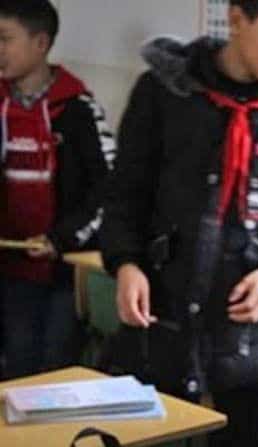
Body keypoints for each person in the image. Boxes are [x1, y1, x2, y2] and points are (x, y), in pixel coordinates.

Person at [100, 0, 258, 445]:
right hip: (161, 311)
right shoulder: (165, 92)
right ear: (237, 19)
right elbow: (125, 192)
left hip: (246, 331)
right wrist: (126, 263)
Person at [0, 0, 113, 379]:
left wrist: (60, 239)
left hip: (60, 272)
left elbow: (108, 189)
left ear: (41, 43)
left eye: (5, 39)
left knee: (52, 370)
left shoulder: (78, 108)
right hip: (8, 268)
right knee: (15, 368)